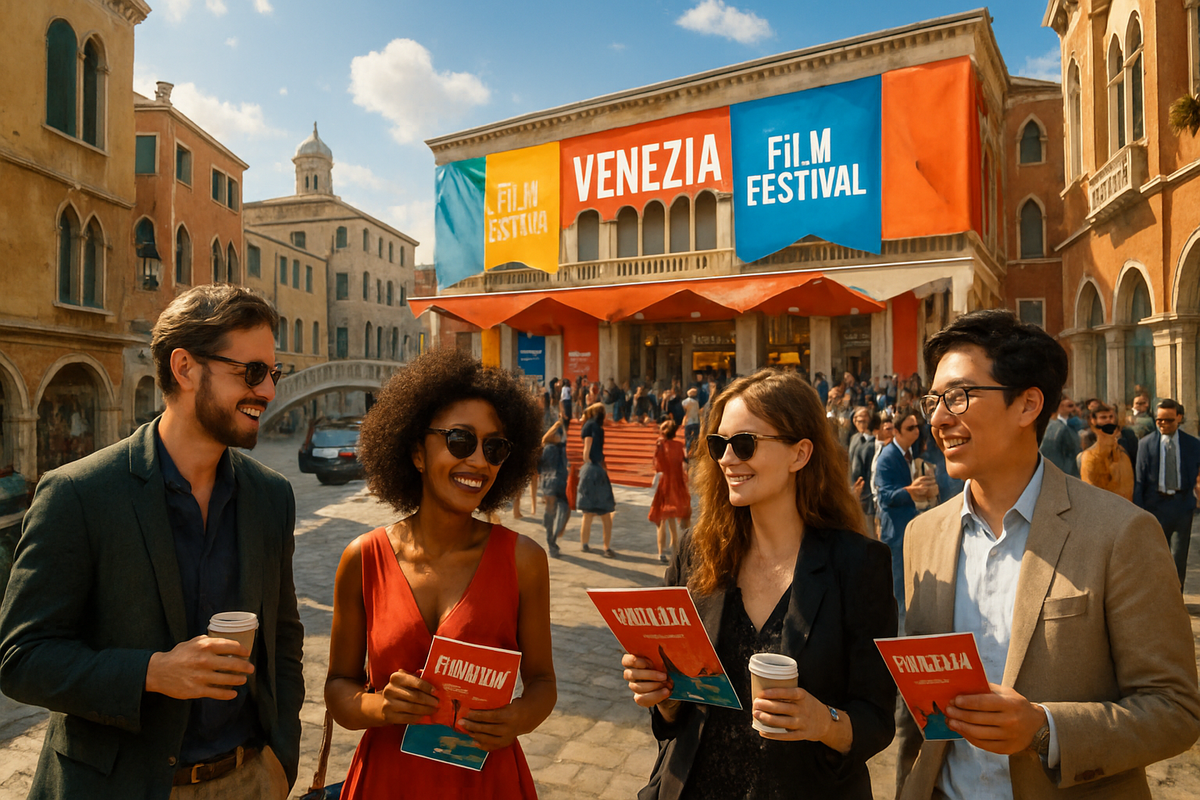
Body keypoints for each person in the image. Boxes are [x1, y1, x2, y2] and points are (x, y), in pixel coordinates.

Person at [0, 284, 304, 798]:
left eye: (273, 373)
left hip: (249, 780)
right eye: (251, 372)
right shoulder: (79, 493)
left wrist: (279, 758)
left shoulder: (271, 497)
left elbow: (284, 639)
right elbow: (21, 659)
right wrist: (153, 672)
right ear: (184, 368)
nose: (269, 392)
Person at [897, 309, 1200, 800]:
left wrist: (1045, 728)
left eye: (958, 396)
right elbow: (916, 716)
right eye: (935, 399)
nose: (938, 418)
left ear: (1027, 405)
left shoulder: (1120, 534)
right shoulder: (922, 535)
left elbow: (1176, 709)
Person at [621, 368, 897, 799]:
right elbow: (677, 714)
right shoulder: (698, 551)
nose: (728, 459)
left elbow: (877, 720)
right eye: (718, 444)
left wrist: (823, 722)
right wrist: (663, 695)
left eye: (744, 443)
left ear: (799, 454)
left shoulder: (859, 565)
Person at [325, 348, 555, 798]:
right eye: (460, 440)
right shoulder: (362, 558)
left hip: (488, 781)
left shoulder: (524, 560)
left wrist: (520, 718)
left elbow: (543, 684)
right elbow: (338, 690)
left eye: (494, 448)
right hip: (387, 781)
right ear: (416, 451)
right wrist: (379, 705)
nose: (478, 461)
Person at [875, 408, 937, 614]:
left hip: (912, 528)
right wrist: (912, 491)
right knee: (899, 589)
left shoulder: (912, 451)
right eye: (910, 428)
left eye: (917, 427)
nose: (916, 432)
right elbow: (884, 497)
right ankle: (900, 635)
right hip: (896, 533)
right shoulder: (887, 457)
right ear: (897, 432)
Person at [1133, 398, 1200, 588]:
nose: (1163, 424)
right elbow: (1140, 480)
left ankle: (1176, 598)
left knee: (1179, 557)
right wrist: (1139, 512)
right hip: (1155, 508)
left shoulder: (1193, 445)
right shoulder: (1146, 444)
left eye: (1168, 420)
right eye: (1159, 420)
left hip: (1181, 507)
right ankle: (1157, 598)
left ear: (1179, 418)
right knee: (1155, 557)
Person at [648, 418, 691, 564]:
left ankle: (661, 552)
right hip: (677, 483)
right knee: (673, 516)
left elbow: (657, 466)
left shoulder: (661, 445)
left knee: (663, 518)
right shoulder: (680, 445)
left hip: (665, 483)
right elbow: (685, 465)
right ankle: (675, 551)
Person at [578, 403, 617, 557]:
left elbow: (586, 453)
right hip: (595, 469)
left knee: (588, 513)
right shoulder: (594, 427)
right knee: (606, 513)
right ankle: (606, 547)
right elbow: (586, 452)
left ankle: (584, 544)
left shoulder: (588, 425)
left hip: (590, 469)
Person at [1078, 401, 1134, 501]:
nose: (1108, 420)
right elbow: (1091, 491)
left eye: (1111, 417)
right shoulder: (1088, 456)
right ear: (1093, 421)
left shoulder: (1123, 452)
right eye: (1103, 417)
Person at [539, 414, 571, 558]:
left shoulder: (552, 448)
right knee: (558, 510)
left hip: (553, 483)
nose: (563, 436)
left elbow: (539, 467)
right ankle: (552, 541)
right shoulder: (554, 448)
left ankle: (552, 538)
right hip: (555, 483)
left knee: (555, 511)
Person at [849, 411, 882, 530]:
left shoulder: (873, 444)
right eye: (859, 421)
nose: (862, 424)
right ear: (854, 421)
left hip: (868, 492)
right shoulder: (854, 438)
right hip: (856, 488)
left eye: (865, 421)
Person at [1038, 394, 1081, 477]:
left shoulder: (1072, 424)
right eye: (1070, 406)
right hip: (1062, 472)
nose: (1074, 409)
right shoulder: (1057, 428)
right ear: (1060, 406)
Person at [681, 387, 701, 457]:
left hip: (688, 421)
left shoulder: (685, 402)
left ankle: (687, 451)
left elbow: (683, 410)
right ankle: (694, 451)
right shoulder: (696, 402)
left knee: (688, 437)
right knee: (695, 437)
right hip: (695, 421)